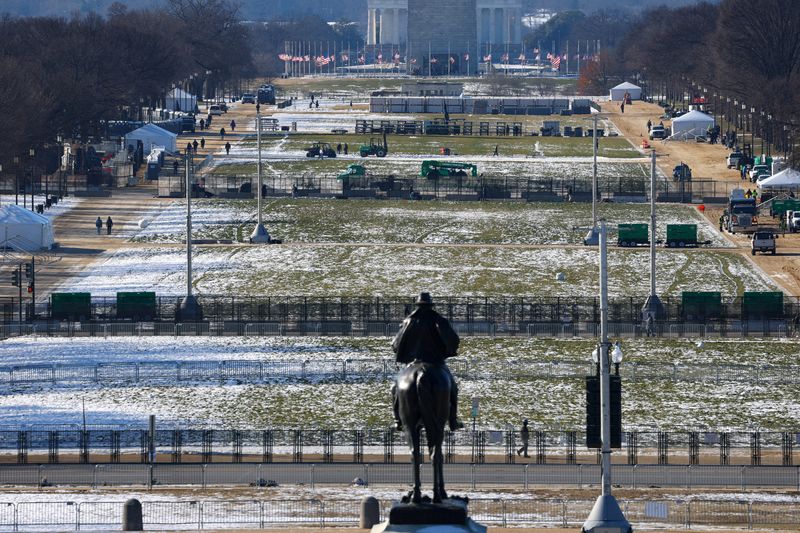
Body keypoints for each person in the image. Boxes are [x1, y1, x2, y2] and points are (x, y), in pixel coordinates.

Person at [391, 292, 462, 432]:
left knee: (395, 388)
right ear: (430, 306)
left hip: (413, 363)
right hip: (436, 363)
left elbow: (395, 344)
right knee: (452, 388)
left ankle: (398, 420)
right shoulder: (439, 320)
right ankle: (453, 420)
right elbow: (454, 340)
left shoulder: (408, 321)